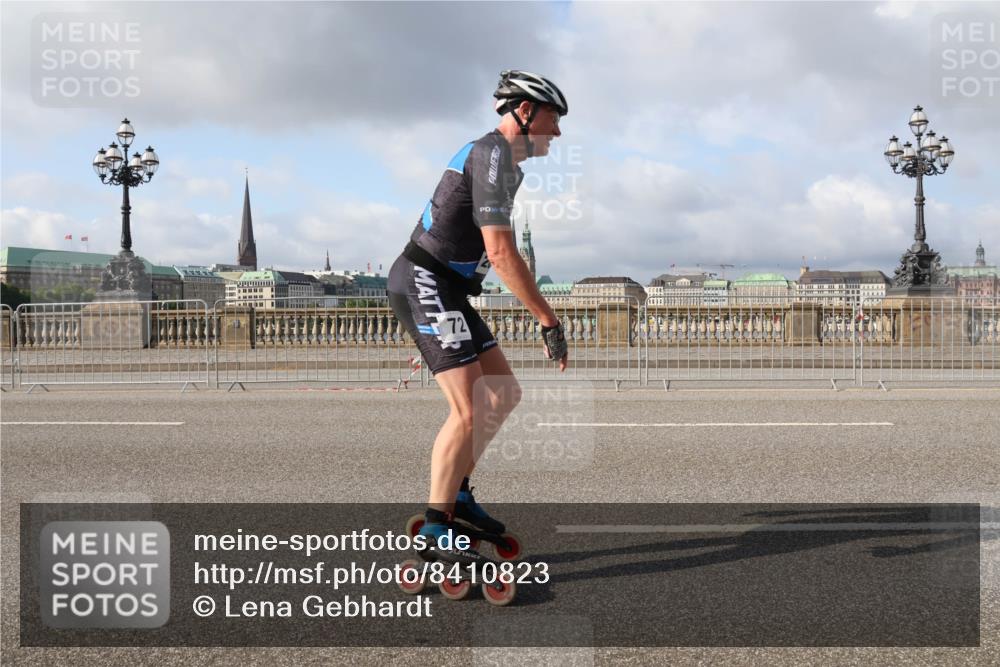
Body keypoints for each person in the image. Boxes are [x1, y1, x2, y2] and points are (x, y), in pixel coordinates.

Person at [387, 70, 570, 566]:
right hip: (424, 281)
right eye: (553, 118)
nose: (557, 132)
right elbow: (501, 251)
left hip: (449, 289)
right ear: (525, 112)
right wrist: (548, 320)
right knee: (469, 408)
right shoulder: (491, 154)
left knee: (504, 393)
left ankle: (459, 493)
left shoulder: (506, 164)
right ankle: (433, 524)